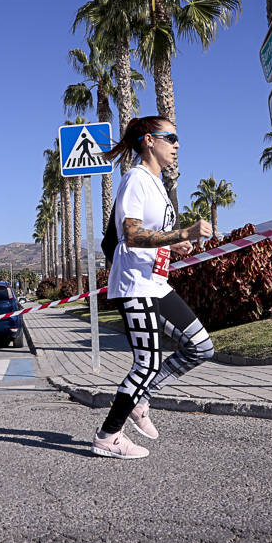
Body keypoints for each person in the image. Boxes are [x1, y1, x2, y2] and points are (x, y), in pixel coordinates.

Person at [93, 115, 215, 459]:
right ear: (149, 140)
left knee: (201, 347)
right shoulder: (135, 179)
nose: (177, 145)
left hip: (156, 284)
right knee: (146, 363)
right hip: (134, 286)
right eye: (171, 138)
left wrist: (171, 246)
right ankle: (108, 436)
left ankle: (141, 398)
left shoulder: (157, 184)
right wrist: (184, 233)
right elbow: (130, 233)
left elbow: (148, 235)